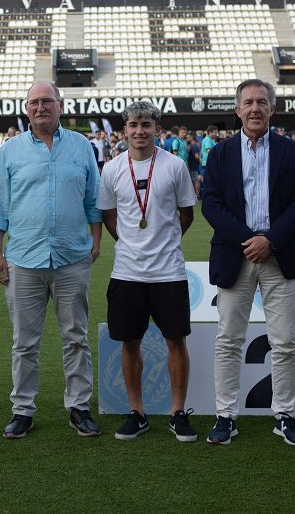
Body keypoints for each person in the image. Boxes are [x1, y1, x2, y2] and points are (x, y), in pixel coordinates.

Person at [0, 81, 103, 439]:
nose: (41, 108)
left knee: (76, 337)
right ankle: (22, 410)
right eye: (34, 102)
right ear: (26, 109)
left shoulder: (82, 146)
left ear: (60, 105)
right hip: (23, 258)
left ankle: (79, 407)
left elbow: (93, 200)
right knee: (24, 342)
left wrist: (95, 243)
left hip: (71, 257)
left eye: (47, 101)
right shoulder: (11, 150)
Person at [203, 79, 295, 447]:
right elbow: (211, 205)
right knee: (229, 340)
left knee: (284, 342)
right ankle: (225, 416)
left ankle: (284, 414)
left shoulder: (291, 151)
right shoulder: (219, 154)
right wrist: (248, 241)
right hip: (236, 254)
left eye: (261, 102)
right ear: (237, 109)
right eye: (247, 103)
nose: (254, 109)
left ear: (272, 108)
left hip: (280, 255)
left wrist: (270, 240)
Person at [97, 101, 198, 442]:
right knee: (129, 343)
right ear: (124, 129)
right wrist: (128, 241)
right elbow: (109, 216)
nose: (139, 131)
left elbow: (187, 214)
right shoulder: (111, 169)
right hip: (127, 272)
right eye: (133, 125)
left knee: (175, 342)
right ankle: (137, 411)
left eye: (146, 124)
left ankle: (177, 412)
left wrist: (164, 241)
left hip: (168, 271)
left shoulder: (175, 166)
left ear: (157, 127)